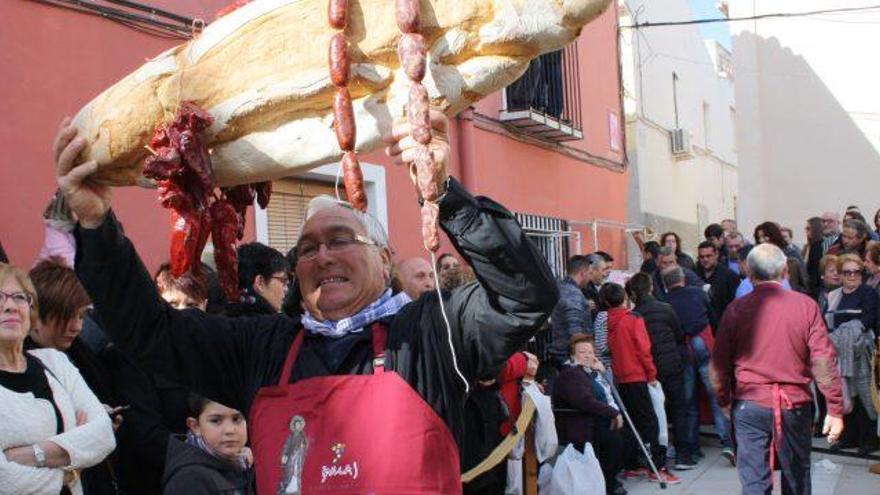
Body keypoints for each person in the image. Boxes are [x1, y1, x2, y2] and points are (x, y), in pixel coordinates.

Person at [57, 111, 558, 494]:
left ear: (384, 261)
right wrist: (97, 226)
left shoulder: (433, 330)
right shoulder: (262, 345)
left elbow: (526, 295)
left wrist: (444, 193)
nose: (322, 256)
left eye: (340, 240)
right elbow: (150, 332)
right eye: (308, 249)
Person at [711, 244, 845, 495]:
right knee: (796, 478)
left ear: (749, 274)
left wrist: (724, 400)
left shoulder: (736, 309)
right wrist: (835, 408)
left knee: (754, 481)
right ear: (785, 270)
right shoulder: (804, 306)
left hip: (751, 403)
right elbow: (823, 361)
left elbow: (719, 365)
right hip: (792, 405)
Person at [0, 262, 116, 495]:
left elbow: (103, 434)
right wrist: (70, 470)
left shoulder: (55, 362)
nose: (10, 306)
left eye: (20, 297)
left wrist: (32, 454)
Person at [27, 258, 126, 494]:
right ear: (38, 314)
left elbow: (100, 433)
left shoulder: (83, 355)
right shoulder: (20, 367)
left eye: (82, 316)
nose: (77, 326)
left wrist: (104, 421)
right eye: (68, 316)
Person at [602, 283, 679, 484]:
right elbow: (643, 351)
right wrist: (652, 375)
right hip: (638, 375)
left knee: (630, 423)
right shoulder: (632, 319)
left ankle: (632, 464)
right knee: (651, 422)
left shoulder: (606, 320)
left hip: (621, 377)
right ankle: (658, 466)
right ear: (625, 298)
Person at [661, 266, 734, 465]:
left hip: (682, 349)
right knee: (715, 395)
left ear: (665, 284)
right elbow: (713, 319)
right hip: (703, 343)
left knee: (688, 400)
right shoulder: (697, 293)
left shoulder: (664, 302)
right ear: (682, 279)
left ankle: (692, 447)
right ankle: (729, 442)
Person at [625, 273, 692, 470]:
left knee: (654, 413)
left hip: (649, 369)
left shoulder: (634, 315)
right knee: (679, 408)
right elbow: (679, 334)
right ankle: (683, 456)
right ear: (651, 288)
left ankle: (657, 456)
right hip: (671, 364)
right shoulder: (666, 309)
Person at [552, 333, 626, 495]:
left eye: (590, 352)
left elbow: (608, 393)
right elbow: (584, 400)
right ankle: (608, 483)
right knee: (614, 441)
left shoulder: (587, 372)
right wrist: (613, 412)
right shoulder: (571, 374)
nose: (587, 356)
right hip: (578, 424)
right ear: (572, 355)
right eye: (582, 352)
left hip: (589, 419)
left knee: (620, 439)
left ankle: (609, 481)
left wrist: (602, 372)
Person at [821, 254, 879, 455]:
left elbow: (867, 319)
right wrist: (835, 340)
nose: (852, 276)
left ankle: (868, 439)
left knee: (864, 397)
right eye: (847, 272)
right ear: (840, 274)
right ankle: (848, 437)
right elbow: (826, 322)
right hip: (837, 353)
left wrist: (844, 335)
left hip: (861, 352)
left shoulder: (868, 293)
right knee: (845, 394)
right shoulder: (834, 295)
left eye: (856, 272)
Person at [162, 394, 254, 494]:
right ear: (195, 426)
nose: (230, 430)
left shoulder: (245, 463)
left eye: (237, 419)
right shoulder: (190, 479)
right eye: (215, 420)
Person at [549, 255, 594, 368]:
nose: (590, 277)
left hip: (562, 351)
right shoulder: (573, 294)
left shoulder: (561, 288)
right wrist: (589, 353)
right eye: (589, 273)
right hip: (569, 356)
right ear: (582, 273)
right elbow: (575, 331)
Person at [226, 243, 289, 316]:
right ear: (260, 283)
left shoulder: (223, 319)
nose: (286, 289)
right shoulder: (273, 325)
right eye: (283, 281)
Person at [695, 240, 740, 320]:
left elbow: (735, 305)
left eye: (708, 256)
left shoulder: (730, 276)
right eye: (702, 257)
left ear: (716, 255)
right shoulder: (695, 275)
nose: (705, 259)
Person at [803, 217, 825, 294]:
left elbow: (815, 268)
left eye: (808, 228)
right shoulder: (808, 246)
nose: (806, 231)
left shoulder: (818, 246)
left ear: (815, 229)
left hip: (815, 287)